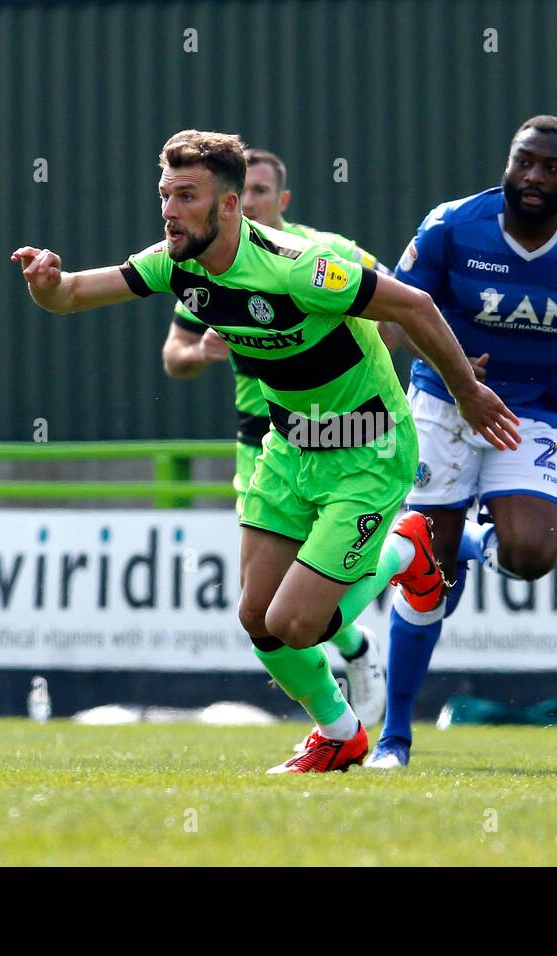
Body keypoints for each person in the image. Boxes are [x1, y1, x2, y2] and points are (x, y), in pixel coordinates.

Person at [12, 130, 519, 772]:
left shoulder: (297, 267)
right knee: (258, 619)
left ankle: (406, 549)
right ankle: (340, 734)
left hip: (366, 449)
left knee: (299, 623)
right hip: (288, 449)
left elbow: (413, 304)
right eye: (165, 194)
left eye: (186, 196)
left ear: (227, 205)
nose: (169, 209)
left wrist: (468, 393)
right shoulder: (175, 265)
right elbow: (74, 295)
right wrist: (45, 283)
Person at [368, 116, 557, 768]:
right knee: (430, 574)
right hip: (442, 406)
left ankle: (482, 540)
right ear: (507, 163)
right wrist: (454, 369)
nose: (534, 177)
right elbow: (395, 318)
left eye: (550, 168)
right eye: (524, 162)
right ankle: (395, 737)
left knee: (534, 554)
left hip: (530, 413)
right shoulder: (452, 225)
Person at [160, 148, 390, 727]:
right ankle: (348, 679)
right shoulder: (203, 260)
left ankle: (349, 677)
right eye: (248, 191)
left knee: (306, 596)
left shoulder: (320, 255)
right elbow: (174, 356)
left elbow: (394, 305)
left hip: (342, 433)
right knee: (263, 604)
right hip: (262, 438)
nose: (254, 203)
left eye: (263, 193)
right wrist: (198, 351)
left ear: (276, 200)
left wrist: (451, 374)